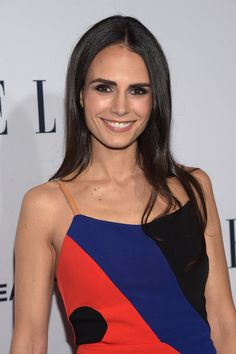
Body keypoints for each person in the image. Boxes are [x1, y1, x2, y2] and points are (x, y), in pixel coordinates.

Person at [10, 15, 236, 354]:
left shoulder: (193, 188)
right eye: (104, 87)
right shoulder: (47, 206)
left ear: (155, 99)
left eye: (137, 91)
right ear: (81, 95)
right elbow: (28, 342)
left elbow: (223, 322)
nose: (120, 107)